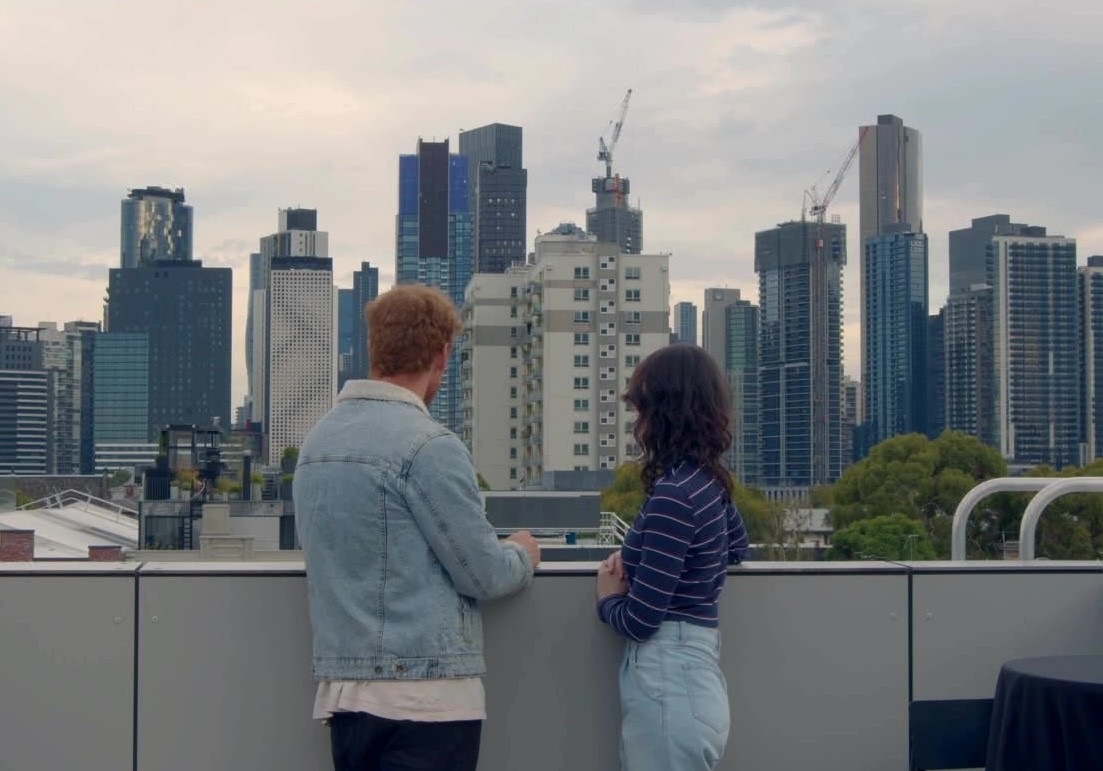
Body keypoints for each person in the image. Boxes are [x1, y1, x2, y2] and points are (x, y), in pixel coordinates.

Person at [295, 284, 540, 771]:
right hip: (427, 701)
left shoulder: (316, 444)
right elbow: (484, 574)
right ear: (442, 355)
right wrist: (520, 553)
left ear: (375, 348)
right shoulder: (429, 446)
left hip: (346, 699)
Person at [596, 343, 750, 771]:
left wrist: (608, 597)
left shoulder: (673, 495)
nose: (637, 425)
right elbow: (736, 548)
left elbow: (641, 621)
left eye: (641, 411)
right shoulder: (708, 485)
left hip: (667, 685)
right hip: (697, 681)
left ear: (662, 413)